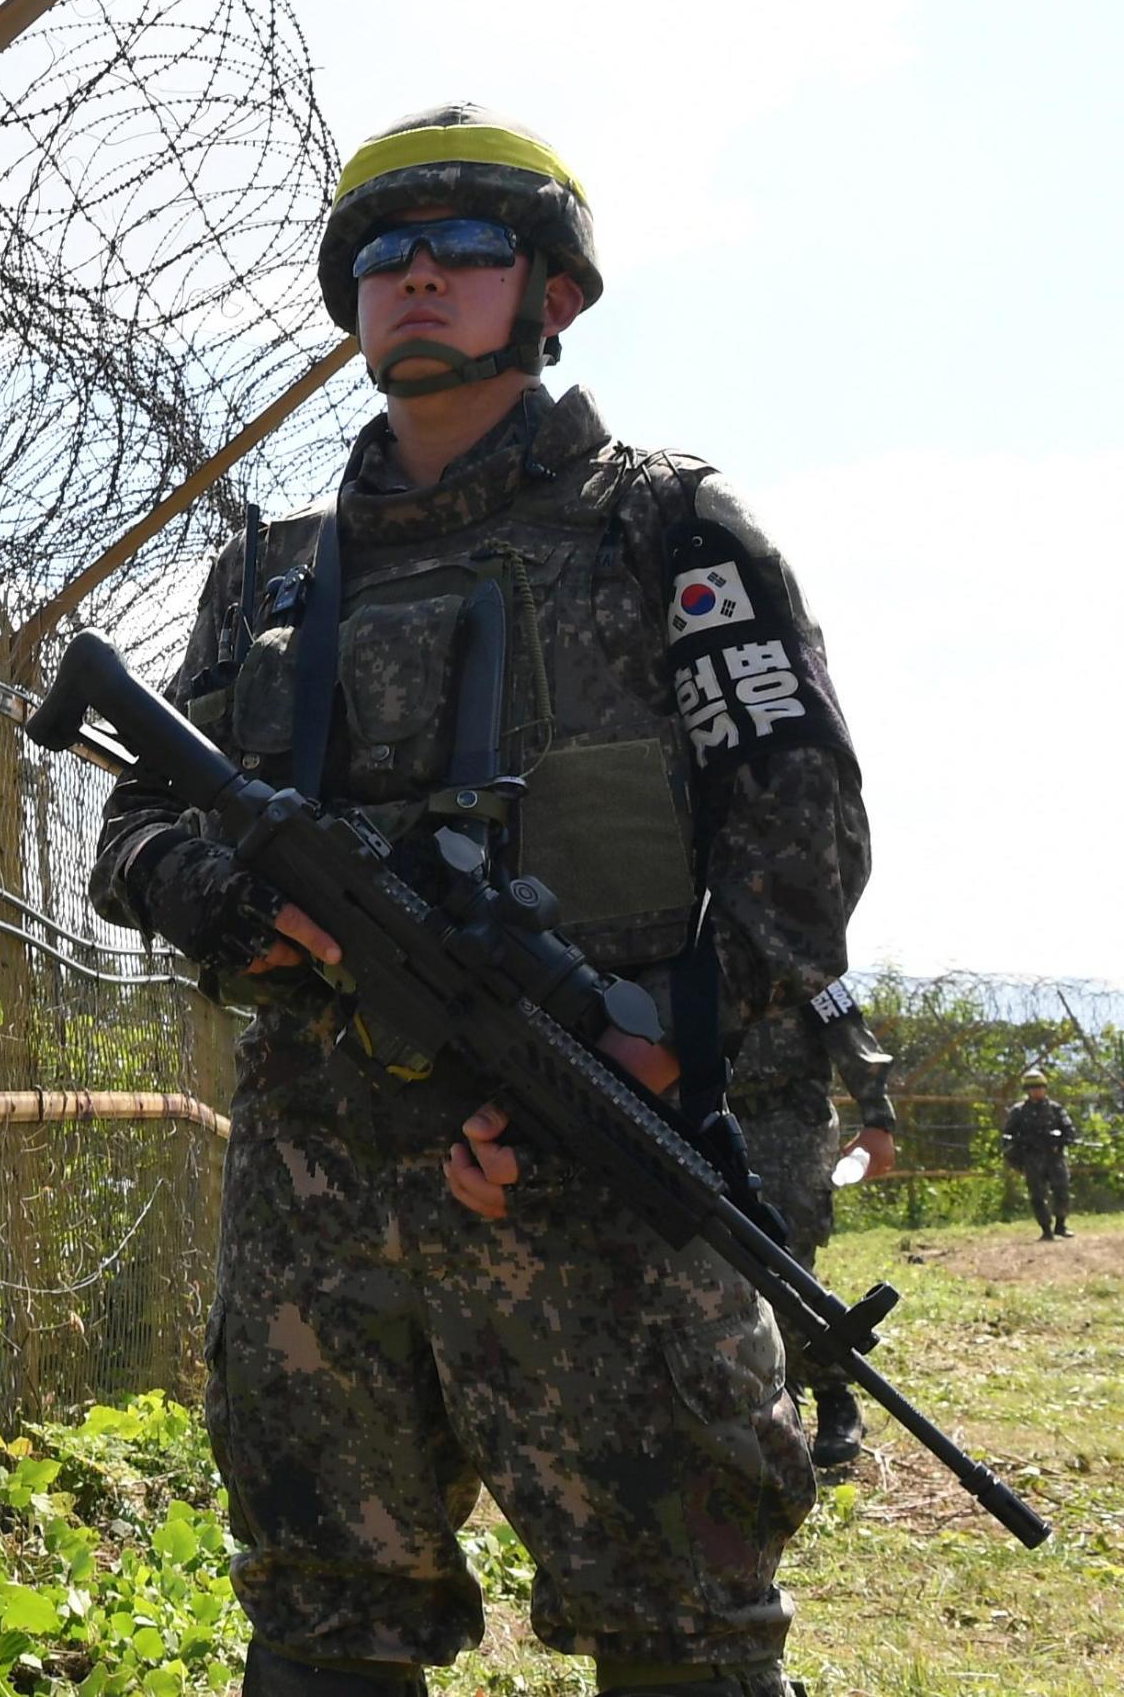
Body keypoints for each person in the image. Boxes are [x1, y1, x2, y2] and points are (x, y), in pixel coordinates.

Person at [89, 105, 869, 1697]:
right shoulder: (273, 580)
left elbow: (798, 842)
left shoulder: (665, 531)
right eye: (386, 253)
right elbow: (134, 831)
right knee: (321, 1618)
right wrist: (250, 909)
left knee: (686, 1617)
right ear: (350, 297)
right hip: (321, 1178)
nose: (420, 276)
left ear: (553, 291)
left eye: (466, 248)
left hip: (601, 1148)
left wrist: (679, 1064)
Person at [727, 977, 895, 1469]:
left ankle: (834, 1394)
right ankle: (774, 1402)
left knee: (787, 1267)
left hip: (792, 1126)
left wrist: (878, 1121)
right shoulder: (683, 939)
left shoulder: (790, 950)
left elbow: (851, 1037)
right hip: (718, 1123)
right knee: (729, 1268)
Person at [1001, 1068, 1077, 1239]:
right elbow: (1007, 1138)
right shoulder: (1018, 1111)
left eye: (1040, 1087)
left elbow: (1070, 1131)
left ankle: (1060, 1225)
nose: (1037, 1091)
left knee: (1062, 1190)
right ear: (1027, 1091)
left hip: (1054, 1156)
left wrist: (1059, 1141)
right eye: (1033, 1088)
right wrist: (1016, 1160)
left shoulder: (1056, 1109)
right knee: (1037, 1195)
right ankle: (1046, 1230)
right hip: (1031, 1157)